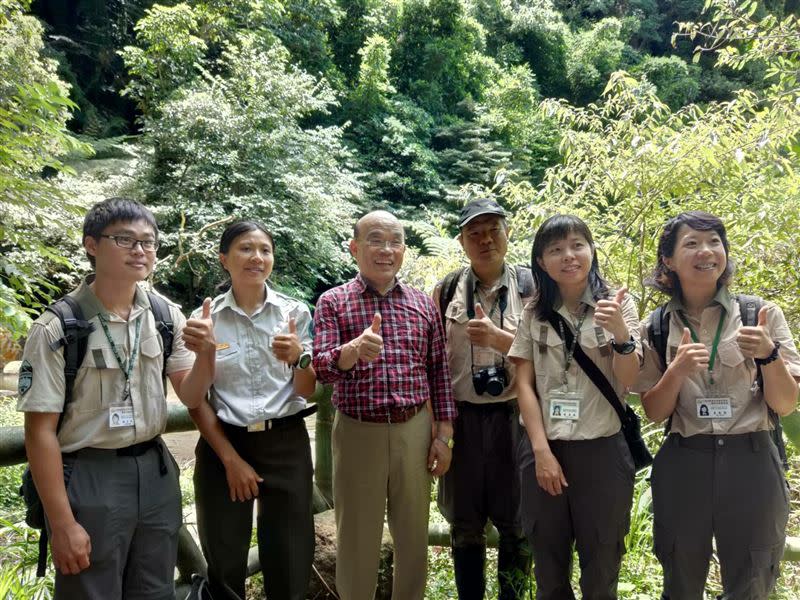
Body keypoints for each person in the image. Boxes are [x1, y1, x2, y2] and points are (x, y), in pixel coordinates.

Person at [18, 197, 211, 599]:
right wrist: (64, 523)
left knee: (154, 589)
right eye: (125, 239)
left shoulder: (164, 315)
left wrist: (207, 355)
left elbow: (191, 393)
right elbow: (39, 433)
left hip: (155, 471)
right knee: (91, 590)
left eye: (149, 242)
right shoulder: (59, 327)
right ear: (92, 244)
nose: (140, 251)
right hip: (89, 476)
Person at [637, 210, 800, 599]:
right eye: (691, 243)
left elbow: (787, 403)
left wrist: (769, 354)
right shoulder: (657, 325)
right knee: (681, 576)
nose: (705, 251)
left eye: (714, 242)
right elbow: (654, 411)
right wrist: (675, 371)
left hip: (752, 459)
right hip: (685, 462)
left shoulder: (759, 315)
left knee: (753, 579)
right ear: (669, 261)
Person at [313, 210, 457, 600]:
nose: (387, 249)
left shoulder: (423, 305)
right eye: (376, 240)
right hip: (358, 430)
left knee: (413, 533)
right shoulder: (333, 302)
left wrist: (443, 435)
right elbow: (322, 368)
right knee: (357, 533)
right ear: (354, 248)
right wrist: (353, 350)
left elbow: (439, 373)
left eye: (395, 241)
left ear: (405, 250)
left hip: (414, 427)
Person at [182, 220, 317, 600]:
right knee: (224, 562)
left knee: (291, 558)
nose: (257, 257)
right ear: (225, 259)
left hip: (285, 442)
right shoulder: (204, 318)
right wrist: (229, 459)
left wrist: (300, 358)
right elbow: (196, 400)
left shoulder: (293, 313)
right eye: (245, 248)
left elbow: (306, 392)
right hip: (225, 445)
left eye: (265, 250)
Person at [508, 214, 641, 600]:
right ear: (540, 261)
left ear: (592, 250)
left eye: (577, 245)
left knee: (602, 564)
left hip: (602, 451)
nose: (569, 256)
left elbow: (629, 377)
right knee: (549, 566)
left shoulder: (617, 304)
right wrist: (541, 451)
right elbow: (525, 386)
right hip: (543, 449)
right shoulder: (533, 313)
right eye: (556, 249)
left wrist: (620, 333)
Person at [433, 199, 533, 600]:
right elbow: (432, 361)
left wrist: (498, 338)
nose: (485, 239)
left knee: (518, 522)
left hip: (517, 416)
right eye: (474, 233)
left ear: (508, 233)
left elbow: (550, 353)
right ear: (462, 241)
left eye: (493, 229)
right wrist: (438, 429)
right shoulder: (444, 292)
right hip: (463, 419)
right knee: (464, 523)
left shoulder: (533, 287)